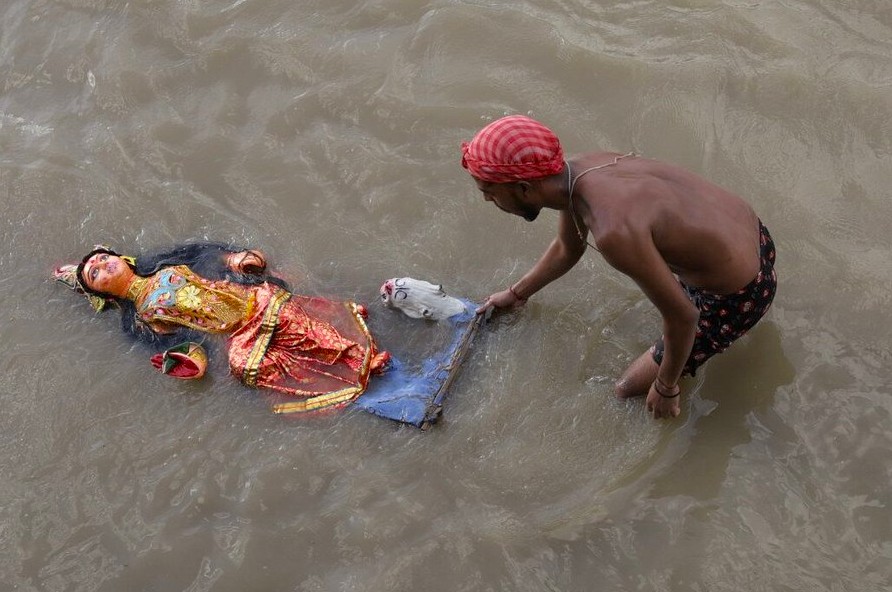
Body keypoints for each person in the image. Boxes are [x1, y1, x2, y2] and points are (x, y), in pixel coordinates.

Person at [461, 115, 777, 419]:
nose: (489, 201)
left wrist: (666, 387)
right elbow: (567, 247)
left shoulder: (614, 232)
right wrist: (517, 294)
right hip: (756, 238)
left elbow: (684, 315)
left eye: (488, 192)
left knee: (626, 391)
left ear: (524, 188)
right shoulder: (582, 168)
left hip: (741, 295)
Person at [53, 243, 389, 413]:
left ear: (121, 258)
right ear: (101, 294)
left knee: (292, 322)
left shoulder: (165, 264)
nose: (99, 264)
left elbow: (206, 254)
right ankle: (327, 384)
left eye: (100, 258)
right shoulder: (139, 320)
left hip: (251, 302)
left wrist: (234, 259)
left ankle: (357, 356)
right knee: (243, 368)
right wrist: (190, 364)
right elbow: (182, 346)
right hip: (236, 335)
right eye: (93, 274)